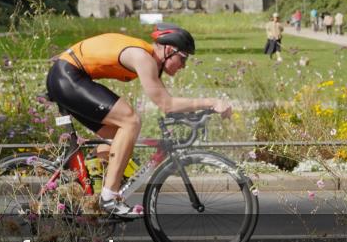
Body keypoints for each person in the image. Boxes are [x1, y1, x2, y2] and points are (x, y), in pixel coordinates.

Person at [46, 24, 232, 217]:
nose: (184, 65)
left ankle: (94, 198)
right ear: (169, 49)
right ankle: (109, 198)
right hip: (68, 76)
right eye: (183, 58)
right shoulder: (144, 58)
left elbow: (167, 103)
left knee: (118, 136)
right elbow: (166, 104)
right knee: (131, 121)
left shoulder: (149, 59)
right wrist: (212, 102)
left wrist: (195, 113)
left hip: (69, 76)